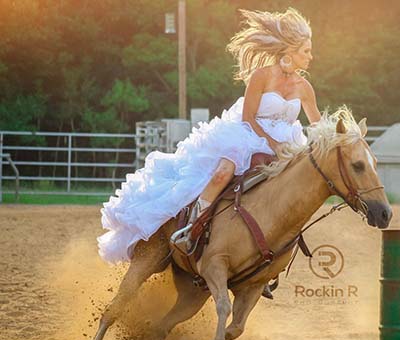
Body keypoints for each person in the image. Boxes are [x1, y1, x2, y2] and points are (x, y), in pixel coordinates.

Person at [97, 8, 321, 265]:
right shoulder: (261, 77)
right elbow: (248, 118)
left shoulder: (304, 88)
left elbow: (317, 123)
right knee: (222, 173)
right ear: (290, 51)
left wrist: (336, 136)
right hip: (249, 136)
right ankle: (191, 228)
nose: (311, 57)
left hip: (288, 147)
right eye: (306, 51)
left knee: (290, 193)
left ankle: (269, 253)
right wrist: (272, 144)